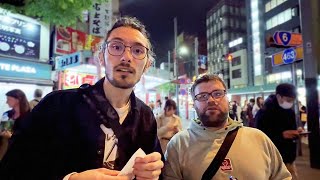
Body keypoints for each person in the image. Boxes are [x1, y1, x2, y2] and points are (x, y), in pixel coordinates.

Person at [0, 16, 163, 180]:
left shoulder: (146, 117)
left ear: (147, 65)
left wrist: (153, 172)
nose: (126, 57)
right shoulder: (56, 105)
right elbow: (12, 167)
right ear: (101, 57)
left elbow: (157, 170)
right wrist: (70, 178)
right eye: (116, 46)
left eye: (137, 51)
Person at [163, 74, 291, 180]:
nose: (211, 100)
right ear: (194, 105)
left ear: (227, 100)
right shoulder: (178, 145)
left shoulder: (258, 138)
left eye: (217, 94)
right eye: (202, 96)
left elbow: (282, 177)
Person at [255, 83, 301, 180]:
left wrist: (297, 133)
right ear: (279, 96)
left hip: (289, 158)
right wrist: (282, 135)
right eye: (288, 100)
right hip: (272, 160)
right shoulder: (265, 112)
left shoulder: (290, 111)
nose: (290, 103)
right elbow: (259, 136)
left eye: (292, 101)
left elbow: (292, 130)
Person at [0, 89, 30, 160]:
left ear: (18, 100)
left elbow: (29, 134)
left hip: (21, 152)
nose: (7, 102)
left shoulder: (29, 115)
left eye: (9, 99)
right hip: (5, 150)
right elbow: (4, 132)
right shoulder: (7, 114)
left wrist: (12, 134)